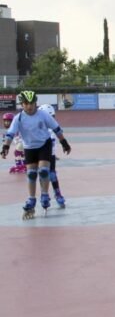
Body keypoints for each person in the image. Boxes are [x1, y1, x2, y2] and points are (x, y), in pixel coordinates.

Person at [1, 91, 71, 220]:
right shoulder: (19, 118)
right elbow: (10, 134)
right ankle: (31, 199)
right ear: (22, 104)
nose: (29, 106)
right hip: (29, 148)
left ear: (36, 103)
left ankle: (44, 195)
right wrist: (5, 146)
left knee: (44, 171)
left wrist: (64, 142)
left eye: (32, 103)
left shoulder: (43, 115)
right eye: (26, 103)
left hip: (44, 145)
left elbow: (56, 128)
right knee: (31, 174)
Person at [37, 104, 66, 208]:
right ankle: (45, 194)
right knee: (43, 174)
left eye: (53, 117)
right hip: (39, 154)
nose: (52, 120)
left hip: (50, 155)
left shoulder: (52, 130)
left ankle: (56, 193)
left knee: (51, 174)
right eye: (50, 118)